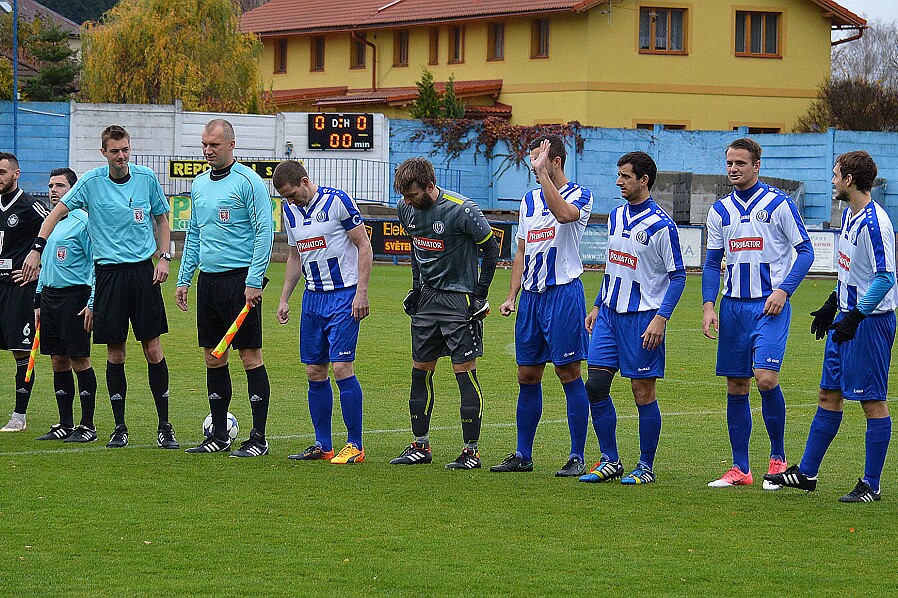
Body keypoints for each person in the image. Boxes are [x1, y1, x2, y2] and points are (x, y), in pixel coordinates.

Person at [22, 125, 178, 449]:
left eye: (125, 150)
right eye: (115, 151)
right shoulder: (91, 183)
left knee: (152, 348)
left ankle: (165, 426)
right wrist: (37, 248)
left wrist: (164, 257)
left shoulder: (146, 178)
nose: (121, 157)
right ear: (103, 152)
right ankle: (119, 426)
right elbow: (55, 214)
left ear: (129, 149)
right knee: (115, 352)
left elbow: (163, 220)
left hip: (142, 273)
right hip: (108, 275)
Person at [765, 151, 895, 502]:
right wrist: (832, 305)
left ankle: (872, 484)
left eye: (836, 175)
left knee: (872, 401)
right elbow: (853, 272)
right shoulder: (850, 216)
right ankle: (806, 474)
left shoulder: (874, 223)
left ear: (850, 180)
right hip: (847, 318)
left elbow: (885, 278)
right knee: (828, 394)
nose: (833, 180)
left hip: (870, 323)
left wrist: (856, 315)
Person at [702, 138, 813, 488]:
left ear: (756, 166)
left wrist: (784, 290)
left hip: (769, 305)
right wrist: (709, 306)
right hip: (733, 307)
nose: (733, 169)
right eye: (729, 163)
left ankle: (778, 460)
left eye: (740, 163)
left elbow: (806, 251)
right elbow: (710, 263)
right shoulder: (719, 210)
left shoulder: (779, 204)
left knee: (765, 379)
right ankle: (741, 469)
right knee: (737, 385)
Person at [578, 152, 685, 485]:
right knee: (594, 386)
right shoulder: (615, 216)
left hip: (643, 319)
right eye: (619, 175)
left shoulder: (662, 225)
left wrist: (661, 318)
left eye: (625, 176)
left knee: (642, 393)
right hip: (609, 315)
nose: (618, 182)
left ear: (644, 180)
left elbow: (678, 276)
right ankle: (610, 459)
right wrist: (597, 304)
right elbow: (614, 266)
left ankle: (645, 466)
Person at [490, 135, 593, 477]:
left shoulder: (580, 195)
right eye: (532, 162)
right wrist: (511, 295)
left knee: (568, 373)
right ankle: (523, 454)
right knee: (527, 374)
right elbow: (521, 251)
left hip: (563, 294)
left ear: (556, 162)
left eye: (539, 161)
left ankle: (577, 454)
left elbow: (563, 215)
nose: (533, 168)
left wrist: (544, 177)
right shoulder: (529, 201)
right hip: (531, 299)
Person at [391, 157, 499, 470]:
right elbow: (415, 250)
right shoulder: (406, 209)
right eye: (404, 196)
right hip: (426, 301)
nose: (407, 201)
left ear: (429, 185)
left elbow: (491, 250)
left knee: (464, 373)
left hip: (458, 301)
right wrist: (415, 287)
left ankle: (471, 451)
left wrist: (479, 296)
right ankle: (420, 446)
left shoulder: (462, 209)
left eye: (412, 195)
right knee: (419, 372)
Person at [176, 119, 274, 457]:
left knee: (249, 356)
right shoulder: (199, 184)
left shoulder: (250, 182)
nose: (207, 150)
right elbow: (194, 233)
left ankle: (258, 438)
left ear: (231, 145)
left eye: (214, 145)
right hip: (210, 282)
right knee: (212, 358)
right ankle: (218, 435)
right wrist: (184, 277)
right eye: (204, 144)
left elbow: (264, 232)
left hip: (240, 282)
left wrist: (253, 280)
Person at [273, 160, 372, 464]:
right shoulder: (290, 211)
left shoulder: (337, 201)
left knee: (342, 368)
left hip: (343, 296)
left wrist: (361, 293)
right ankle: (323, 445)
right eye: (285, 197)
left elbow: (364, 246)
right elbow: (295, 256)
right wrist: (285, 298)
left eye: (293, 194)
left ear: (305, 181)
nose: (290, 201)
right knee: (314, 371)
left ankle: (355, 445)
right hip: (312, 299)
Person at [34, 168, 99, 442]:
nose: (53, 190)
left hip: (75, 297)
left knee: (78, 359)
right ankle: (65, 422)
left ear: (73, 190)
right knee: (57, 360)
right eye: (50, 185)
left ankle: (88, 426)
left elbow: (97, 264)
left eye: (59, 185)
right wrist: (38, 300)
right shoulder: (49, 223)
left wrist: (92, 301)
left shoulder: (83, 222)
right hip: (49, 297)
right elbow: (42, 263)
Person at [0, 152, 49, 432]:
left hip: (18, 289)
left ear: (16, 174)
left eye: (3, 172)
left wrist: (39, 264)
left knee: (20, 351)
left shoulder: (31, 206)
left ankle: (19, 415)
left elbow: (55, 232)